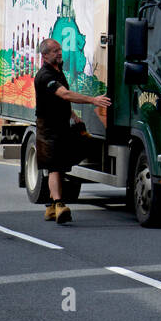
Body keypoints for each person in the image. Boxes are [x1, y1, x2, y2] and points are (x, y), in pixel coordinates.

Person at [34, 37, 110, 224]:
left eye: (59, 49)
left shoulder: (57, 71)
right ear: (44, 55)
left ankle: (51, 207)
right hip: (48, 127)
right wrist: (93, 100)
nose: (59, 53)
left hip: (61, 125)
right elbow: (65, 94)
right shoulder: (45, 76)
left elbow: (62, 101)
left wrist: (73, 116)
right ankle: (59, 204)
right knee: (55, 167)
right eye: (54, 51)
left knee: (64, 162)